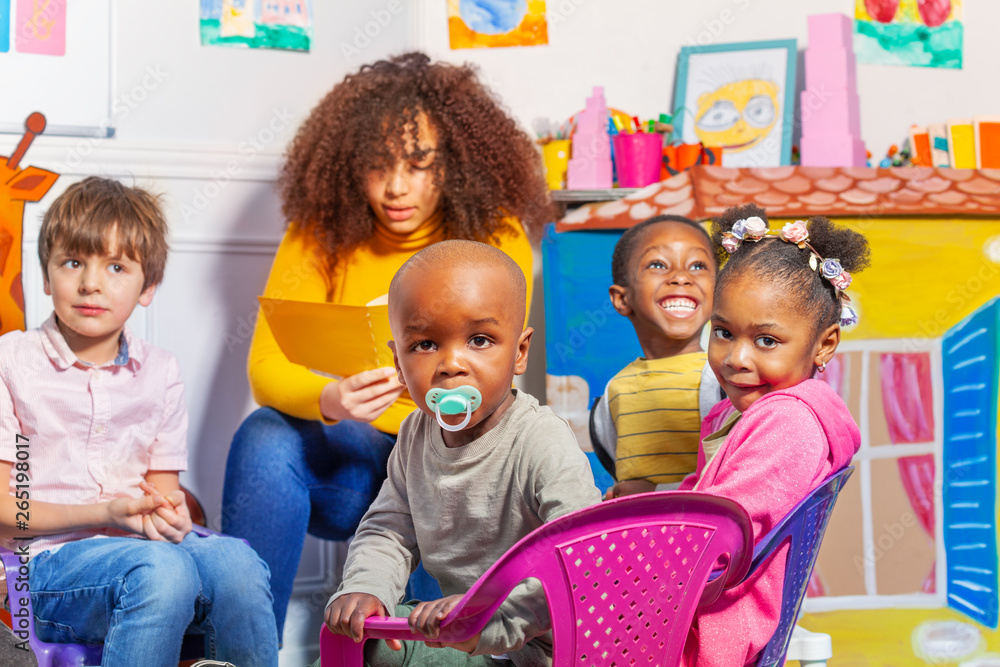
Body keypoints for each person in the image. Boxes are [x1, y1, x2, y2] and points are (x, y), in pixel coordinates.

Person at [220, 52, 552, 639]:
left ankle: (431, 646)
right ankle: (242, 651)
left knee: (447, 474)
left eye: (419, 165)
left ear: (454, 161)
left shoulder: (494, 230)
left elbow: (494, 370)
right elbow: (264, 367)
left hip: (450, 460)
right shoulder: (320, 231)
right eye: (377, 166)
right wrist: (333, 397)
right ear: (351, 166)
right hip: (355, 460)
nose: (396, 187)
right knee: (264, 436)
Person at [0, 177, 278, 667]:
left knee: (237, 563)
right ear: (45, 276)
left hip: (145, 554)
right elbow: (9, 510)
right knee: (160, 571)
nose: (91, 283)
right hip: (43, 566)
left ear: (147, 286)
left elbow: (162, 495)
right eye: (72, 262)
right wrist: (105, 513)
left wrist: (167, 516)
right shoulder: (12, 361)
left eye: (116, 266)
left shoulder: (160, 371)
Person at [323, 240, 601, 666]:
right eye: (425, 345)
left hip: (539, 654)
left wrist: (486, 619)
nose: (452, 363)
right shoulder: (415, 434)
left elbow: (581, 558)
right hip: (462, 641)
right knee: (370, 641)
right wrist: (366, 588)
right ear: (399, 362)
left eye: (480, 339)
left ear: (519, 351)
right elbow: (389, 530)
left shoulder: (540, 440)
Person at [678, 203, 867, 666]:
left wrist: (628, 563)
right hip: (701, 610)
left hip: (708, 628)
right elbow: (698, 501)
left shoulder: (788, 424)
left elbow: (719, 535)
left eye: (766, 341)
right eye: (722, 332)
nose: (736, 358)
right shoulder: (741, 414)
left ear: (823, 344)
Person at [594, 215, 722, 498]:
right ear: (622, 299)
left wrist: (651, 493)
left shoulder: (727, 380)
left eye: (698, 266)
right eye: (658, 265)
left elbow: (734, 478)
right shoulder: (614, 392)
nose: (680, 277)